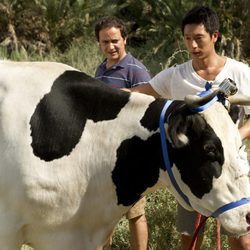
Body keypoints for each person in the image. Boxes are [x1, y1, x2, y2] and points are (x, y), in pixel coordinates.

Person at [128, 6, 250, 250]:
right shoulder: (175, 76)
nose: (192, 46)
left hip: (233, 170)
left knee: (242, 237)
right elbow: (136, 95)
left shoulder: (240, 72)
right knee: (190, 238)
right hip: (191, 174)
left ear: (215, 36)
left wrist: (234, 137)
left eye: (199, 39)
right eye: (187, 39)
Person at [94, 16, 151, 250]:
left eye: (115, 40)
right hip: (104, 153)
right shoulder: (100, 69)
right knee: (104, 211)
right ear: (99, 43)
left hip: (131, 153)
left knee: (135, 212)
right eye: (105, 42)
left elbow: (149, 106)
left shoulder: (136, 71)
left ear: (125, 39)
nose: (111, 46)